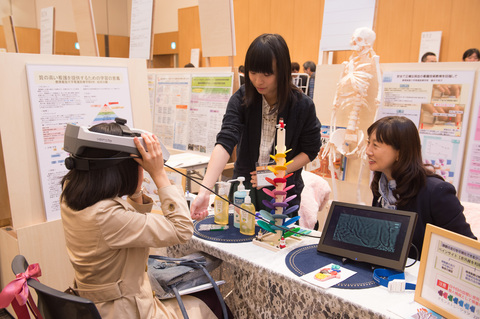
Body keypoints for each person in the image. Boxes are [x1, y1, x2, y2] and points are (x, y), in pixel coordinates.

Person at [60, 122, 217, 319]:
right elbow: (182, 230)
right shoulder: (107, 216)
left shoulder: (71, 195)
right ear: (122, 170)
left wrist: (135, 191)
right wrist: (158, 173)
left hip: (100, 305)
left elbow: (125, 229)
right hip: (125, 311)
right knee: (208, 304)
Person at [190, 33, 322, 221]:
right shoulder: (242, 98)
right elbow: (226, 140)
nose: (259, 81)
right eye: (253, 73)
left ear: (282, 71)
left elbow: (311, 150)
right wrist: (204, 190)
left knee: (277, 240)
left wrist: (276, 173)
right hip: (244, 188)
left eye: (267, 74)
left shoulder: (302, 105)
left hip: (281, 191)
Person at [366, 116, 476, 258]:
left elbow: (467, 249)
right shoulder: (381, 185)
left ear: (400, 152)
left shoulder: (437, 192)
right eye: (368, 143)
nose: (368, 151)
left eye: (375, 145)